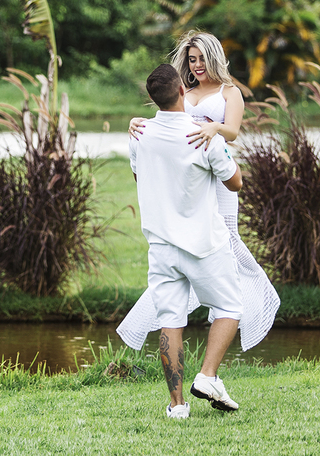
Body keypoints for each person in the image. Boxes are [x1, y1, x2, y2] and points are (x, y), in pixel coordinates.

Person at [119, 31, 279, 353]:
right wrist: (138, 123)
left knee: (226, 243)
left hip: (219, 177)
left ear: (214, 57)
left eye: (202, 59)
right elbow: (165, 122)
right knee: (187, 241)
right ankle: (194, 303)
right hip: (189, 181)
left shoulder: (229, 92)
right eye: (192, 60)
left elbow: (232, 131)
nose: (197, 65)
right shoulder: (184, 90)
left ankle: (240, 306)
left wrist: (213, 128)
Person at [128, 63, 245, 419]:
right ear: (182, 91)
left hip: (161, 247)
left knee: (170, 322)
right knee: (229, 308)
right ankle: (208, 376)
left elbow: (138, 173)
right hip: (203, 244)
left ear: (153, 100)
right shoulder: (204, 137)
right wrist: (218, 141)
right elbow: (235, 182)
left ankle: (177, 406)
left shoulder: (139, 134)